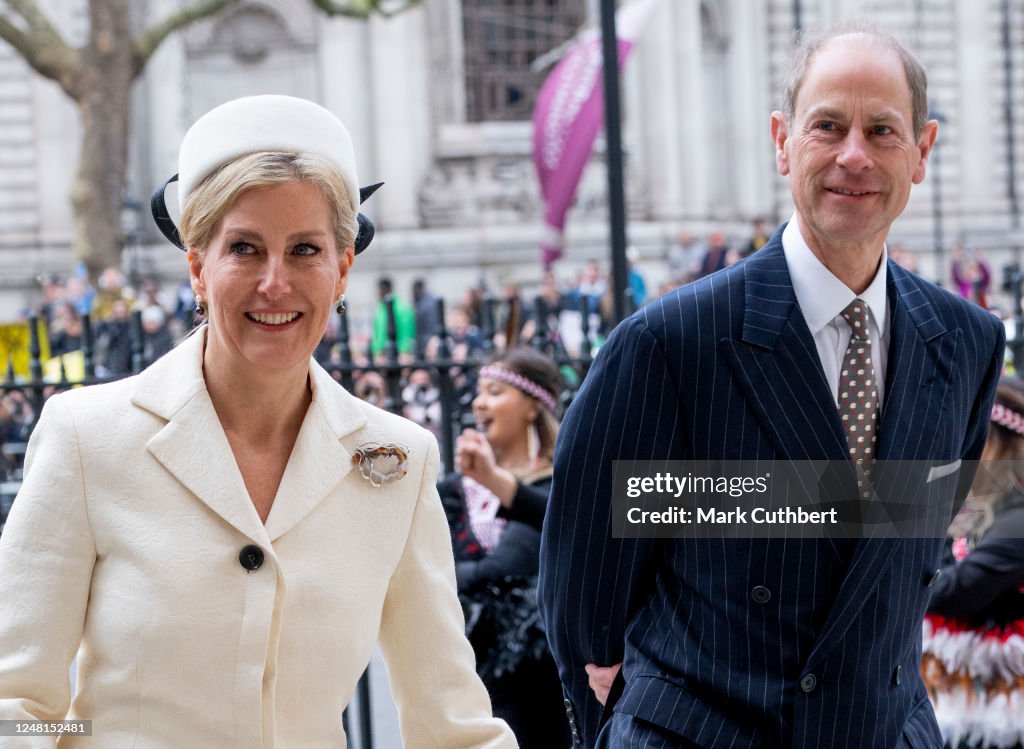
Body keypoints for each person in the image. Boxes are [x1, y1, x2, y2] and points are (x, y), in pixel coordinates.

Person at [539, 21, 1005, 749]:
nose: (854, 154)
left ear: (922, 152)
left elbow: (904, 553)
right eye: (829, 125)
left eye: (882, 130)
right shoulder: (668, 344)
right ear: (783, 140)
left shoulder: (971, 343)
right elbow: (584, 614)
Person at [0, 95, 516, 748]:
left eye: (305, 249)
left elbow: (454, 727)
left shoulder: (398, 458)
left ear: (342, 271)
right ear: (196, 266)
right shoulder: (86, 437)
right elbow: (16, 704)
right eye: (244, 248)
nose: (276, 282)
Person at [440, 346, 570, 748]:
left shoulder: (559, 483)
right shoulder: (452, 489)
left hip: (536, 685)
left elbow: (507, 566)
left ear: (532, 407)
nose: (480, 401)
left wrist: (498, 482)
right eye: (479, 391)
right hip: (465, 675)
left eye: (495, 391)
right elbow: (430, 570)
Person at [923, 376, 1024, 749]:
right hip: (958, 691)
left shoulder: (1018, 517)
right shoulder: (976, 505)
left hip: (1004, 704)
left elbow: (959, 591)